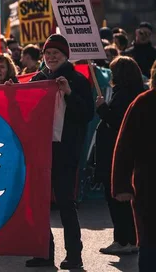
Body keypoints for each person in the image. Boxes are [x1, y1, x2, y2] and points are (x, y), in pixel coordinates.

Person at [27, 34, 94, 270]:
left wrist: (69, 94)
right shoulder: (38, 78)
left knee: (66, 204)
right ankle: (44, 253)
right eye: (47, 53)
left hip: (65, 151)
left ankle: (74, 255)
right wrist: (12, 93)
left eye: (56, 53)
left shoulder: (78, 80)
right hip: (40, 151)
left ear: (65, 56)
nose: (51, 57)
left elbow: (86, 115)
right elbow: (25, 110)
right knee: (39, 204)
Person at [94, 56, 144, 255]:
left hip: (115, 153)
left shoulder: (124, 95)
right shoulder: (134, 93)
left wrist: (102, 108)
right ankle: (129, 238)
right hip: (125, 153)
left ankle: (123, 239)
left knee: (116, 198)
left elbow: (118, 122)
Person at [112, 60, 156, 272]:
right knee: (150, 242)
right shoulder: (143, 102)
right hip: (149, 184)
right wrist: (121, 185)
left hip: (147, 182)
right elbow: (125, 146)